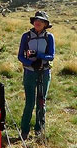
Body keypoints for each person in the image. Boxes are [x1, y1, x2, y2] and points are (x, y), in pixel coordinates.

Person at [17, 11, 55, 140]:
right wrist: (30, 64)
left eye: (41, 21)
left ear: (45, 24)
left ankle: (40, 129)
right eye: (36, 20)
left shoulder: (49, 37)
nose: (38, 22)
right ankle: (24, 130)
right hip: (29, 72)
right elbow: (20, 56)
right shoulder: (26, 36)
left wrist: (39, 57)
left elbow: (52, 56)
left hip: (44, 72)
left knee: (41, 101)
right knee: (29, 102)